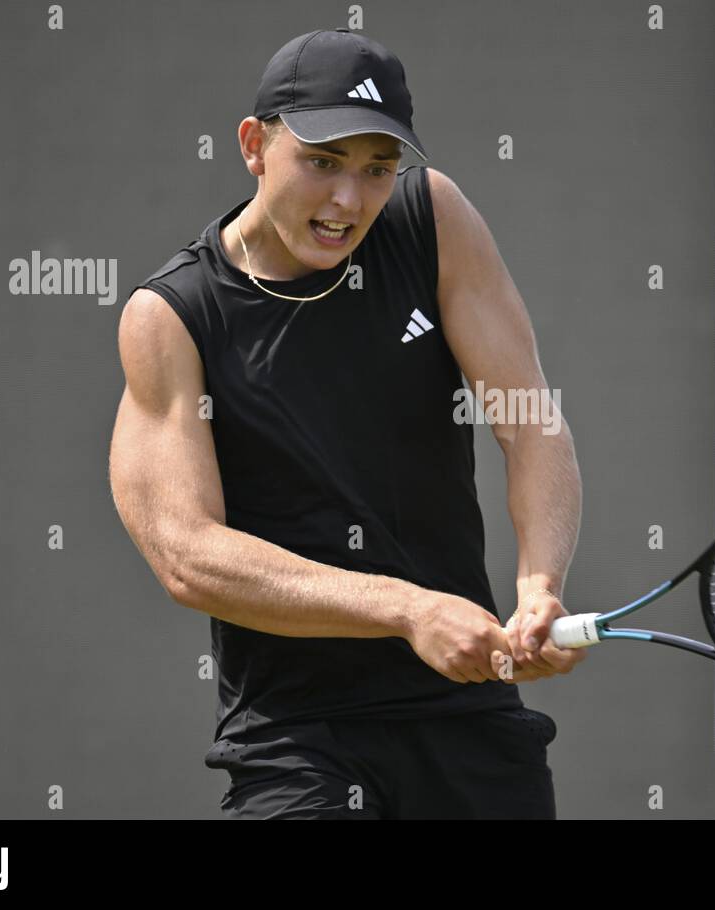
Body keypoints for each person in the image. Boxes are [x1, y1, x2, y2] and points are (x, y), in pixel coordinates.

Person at [108, 28, 585, 818]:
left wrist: (540, 587)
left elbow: (528, 419)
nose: (346, 202)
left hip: (467, 716)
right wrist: (407, 610)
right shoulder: (174, 318)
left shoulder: (431, 218)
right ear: (255, 146)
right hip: (297, 741)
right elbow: (188, 556)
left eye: (376, 169)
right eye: (322, 163)